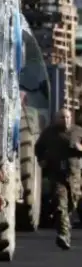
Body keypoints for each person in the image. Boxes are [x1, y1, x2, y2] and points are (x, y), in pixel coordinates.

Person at [35, 107, 82, 250]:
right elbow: (39, 147)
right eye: (62, 117)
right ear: (56, 119)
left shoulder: (78, 131)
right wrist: (42, 159)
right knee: (60, 205)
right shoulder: (49, 133)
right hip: (56, 174)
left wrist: (80, 148)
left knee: (72, 204)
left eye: (67, 117)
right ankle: (63, 234)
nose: (65, 120)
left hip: (74, 175)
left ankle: (65, 227)